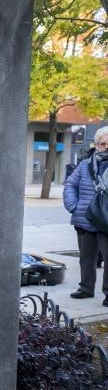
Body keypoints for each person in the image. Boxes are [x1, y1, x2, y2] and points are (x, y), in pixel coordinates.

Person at [64, 126, 108, 306]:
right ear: (97, 145)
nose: (106, 147)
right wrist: (73, 206)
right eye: (103, 143)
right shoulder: (84, 165)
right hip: (85, 218)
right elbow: (70, 185)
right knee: (86, 258)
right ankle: (86, 288)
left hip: (105, 220)